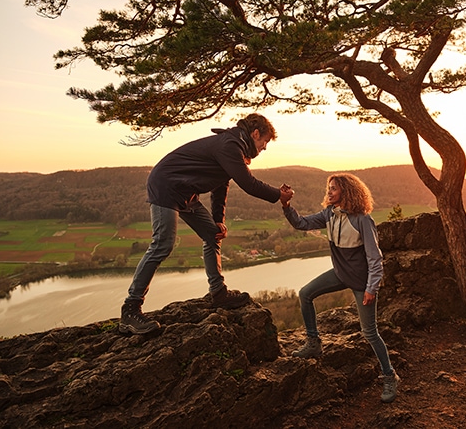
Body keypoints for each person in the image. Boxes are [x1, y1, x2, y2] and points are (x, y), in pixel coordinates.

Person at [119, 113, 294, 335]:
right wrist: (279, 195)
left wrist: (218, 220)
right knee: (163, 244)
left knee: (213, 234)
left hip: (186, 192)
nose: (265, 147)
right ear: (255, 133)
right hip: (166, 186)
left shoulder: (233, 146)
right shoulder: (230, 145)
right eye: (265, 142)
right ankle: (131, 310)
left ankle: (218, 293)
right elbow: (248, 184)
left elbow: (221, 185)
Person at [281, 173, 400, 403]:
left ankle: (389, 376)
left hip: (361, 281)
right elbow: (301, 223)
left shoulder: (362, 220)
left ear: (347, 191)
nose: (329, 192)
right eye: (329, 188)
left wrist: (371, 289)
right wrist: (286, 204)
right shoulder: (329, 214)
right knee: (305, 293)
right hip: (340, 274)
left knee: (370, 333)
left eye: (333, 188)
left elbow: (375, 259)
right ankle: (313, 343)